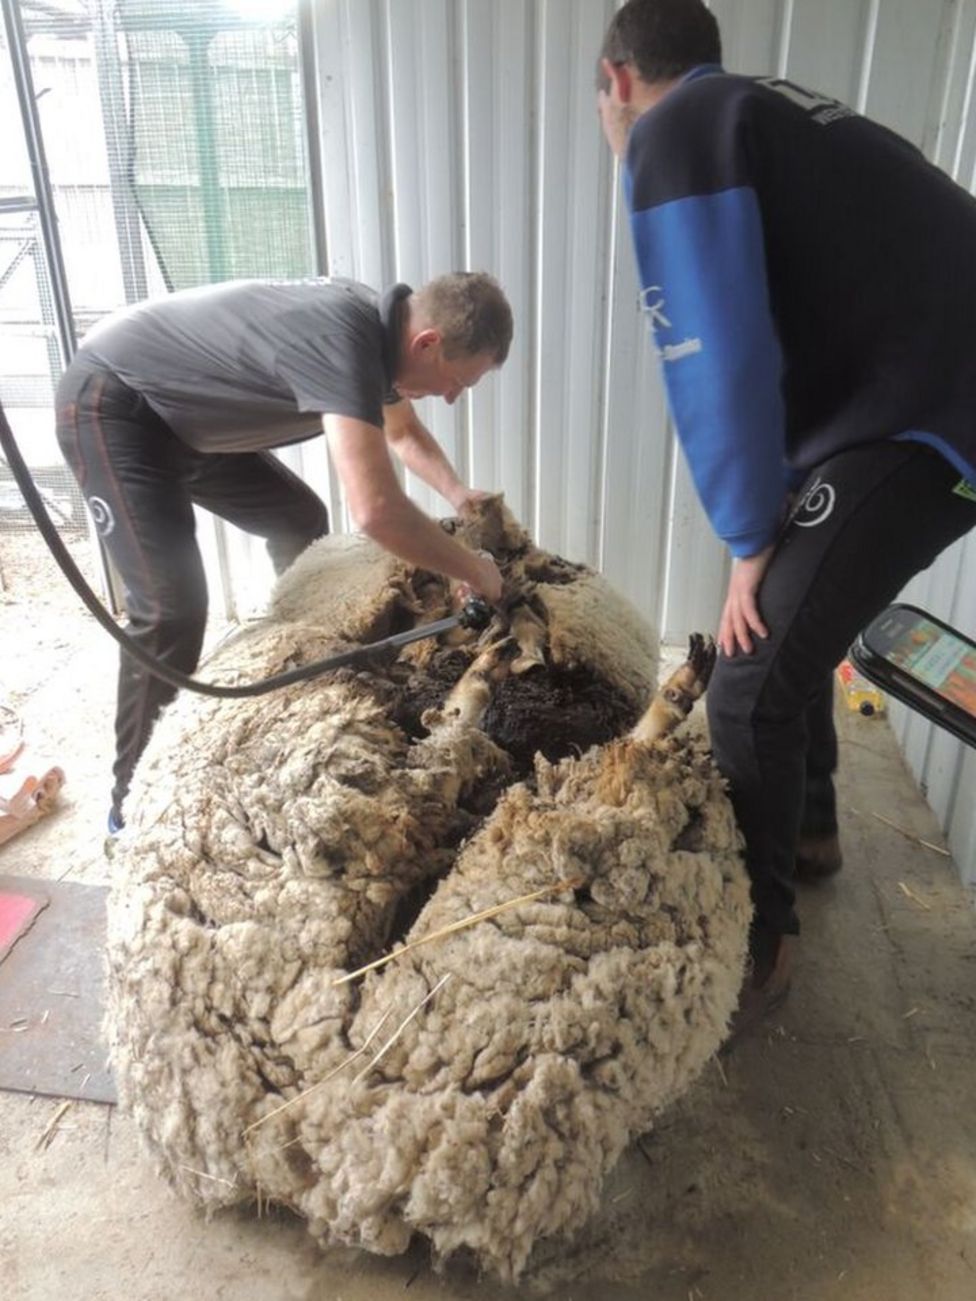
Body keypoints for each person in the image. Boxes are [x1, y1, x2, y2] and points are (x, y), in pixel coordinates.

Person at [595, 0, 976, 1022]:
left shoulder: (674, 131)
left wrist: (749, 538)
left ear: (615, 80)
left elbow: (713, 354)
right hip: (919, 404)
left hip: (928, 416)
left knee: (746, 679)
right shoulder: (766, 115)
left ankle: (756, 949)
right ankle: (810, 834)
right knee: (782, 629)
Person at [55, 272, 512, 834]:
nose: (450, 397)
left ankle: (294, 664)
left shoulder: (383, 339)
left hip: (190, 426)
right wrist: (474, 570)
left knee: (298, 520)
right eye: (455, 383)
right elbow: (376, 510)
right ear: (428, 344)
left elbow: (403, 434)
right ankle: (129, 809)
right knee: (170, 608)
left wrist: (457, 494)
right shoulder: (346, 341)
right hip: (117, 404)